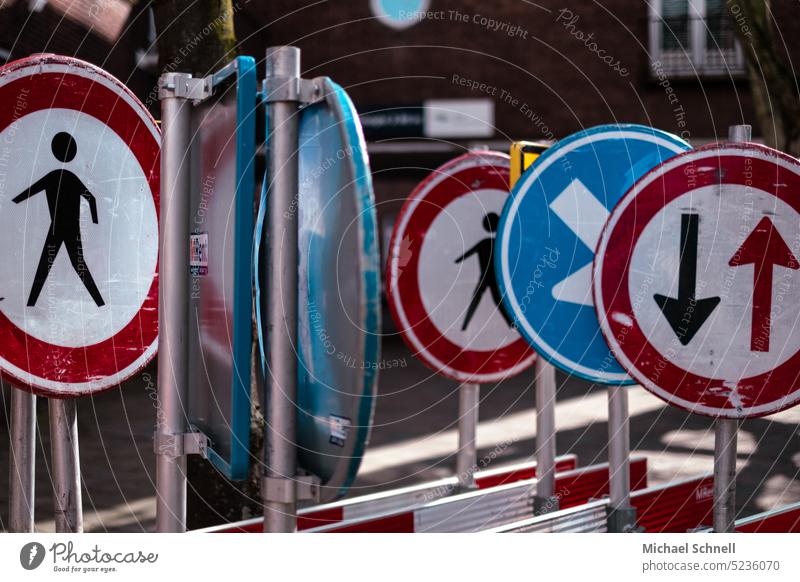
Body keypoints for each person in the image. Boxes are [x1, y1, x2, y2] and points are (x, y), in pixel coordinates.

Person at [13, 132, 104, 307]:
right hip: (70, 228)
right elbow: (91, 199)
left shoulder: (54, 176)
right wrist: (94, 223)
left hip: (58, 227)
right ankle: (99, 303)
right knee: (73, 264)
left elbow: (30, 191)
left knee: (50, 264)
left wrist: (13, 202)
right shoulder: (71, 177)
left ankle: (31, 304)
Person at [454, 212, 512, 331]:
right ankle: (512, 325)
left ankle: (464, 327)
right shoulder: (498, 243)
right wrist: (456, 261)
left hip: (487, 278)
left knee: (481, 300)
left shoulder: (486, 242)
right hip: (494, 278)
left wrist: (457, 261)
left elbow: (465, 255)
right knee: (497, 301)